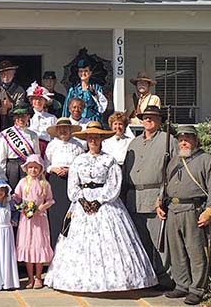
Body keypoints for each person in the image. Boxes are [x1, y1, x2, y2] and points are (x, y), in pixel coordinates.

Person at [45, 122, 157, 292]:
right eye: (90, 137)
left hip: (105, 203)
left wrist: (99, 201)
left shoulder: (109, 160)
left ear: (101, 139)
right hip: (82, 203)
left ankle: (117, 280)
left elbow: (114, 184)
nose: (93, 140)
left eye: (96, 137)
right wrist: (82, 201)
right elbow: (73, 185)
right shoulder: (79, 160)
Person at [160, 125, 211, 305]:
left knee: (196, 252)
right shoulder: (173, 160)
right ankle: (182, 284)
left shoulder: (206, 160)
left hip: (194, 211)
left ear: (196, 140)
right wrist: (160, 201)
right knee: (176, 250)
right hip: (173, 209)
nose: (184, 142)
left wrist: (210, 210)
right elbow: (164, 184)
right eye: (181, 139)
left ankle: (197, 289)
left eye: (187, 139)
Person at [123, 105, 178, 289]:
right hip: (134, 199)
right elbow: (125, 172)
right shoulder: (134, 143)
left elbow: (175, 172)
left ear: (160, 120)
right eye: (145, 117)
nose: (148, 120)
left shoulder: (168, 140)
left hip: (156, 198)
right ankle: (147, 279)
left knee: (160, 243)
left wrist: (164, 197)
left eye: (153, 117)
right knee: (141, 243)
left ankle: (165, 280)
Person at [13, 154, 54, 289]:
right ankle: (30, 277)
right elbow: (17, 198)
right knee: (28, 245)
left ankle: (38, 277)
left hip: (40, 220)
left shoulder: (44, 184)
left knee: (39, 244)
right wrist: (15, 199)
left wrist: (41, 208)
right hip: (26, 219)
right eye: (30, 167)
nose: (33, 170)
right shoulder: (23, 182)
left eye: (36, 168)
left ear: (40, 169)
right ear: (26, 169)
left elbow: (50, 200)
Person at [44, 118, 84, 248]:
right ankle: (55, 246)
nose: (63, 131)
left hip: (72, 180)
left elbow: (82, 164)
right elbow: (46, 164)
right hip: (55, 181)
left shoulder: (78, 145)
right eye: (61, 129)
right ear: (56, 130)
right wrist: (53, 169)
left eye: (66, 128)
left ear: (70, 129)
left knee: (71, 212)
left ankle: (71, 246)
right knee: (55, 213)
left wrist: (70, 170)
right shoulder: (52, 145)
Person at [0, 101, 40, 190]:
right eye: (18, 116)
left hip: (28, 167)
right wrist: (2, 174)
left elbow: (37, 156)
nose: (21, 119)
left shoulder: (33, 135)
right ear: (14, 118)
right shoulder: (6, 134)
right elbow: (2, 156)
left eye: (24, 116)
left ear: (28, 117)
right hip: (12, 168)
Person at [0, 60, 26, 131]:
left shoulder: (19, 90)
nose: (5, 75)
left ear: (13, 73)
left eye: (9, 73)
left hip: (13, 124)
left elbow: (20, 108)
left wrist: (10, 106)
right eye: (2, 73)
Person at [26, 81, 57, 157]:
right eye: (35, 99)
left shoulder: (52, 118)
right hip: (30, 147)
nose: (38, 101)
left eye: (40, 99)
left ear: (45, 101)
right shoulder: (27, 116)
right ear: (31, 101)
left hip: (47, 148)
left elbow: (55, 136)